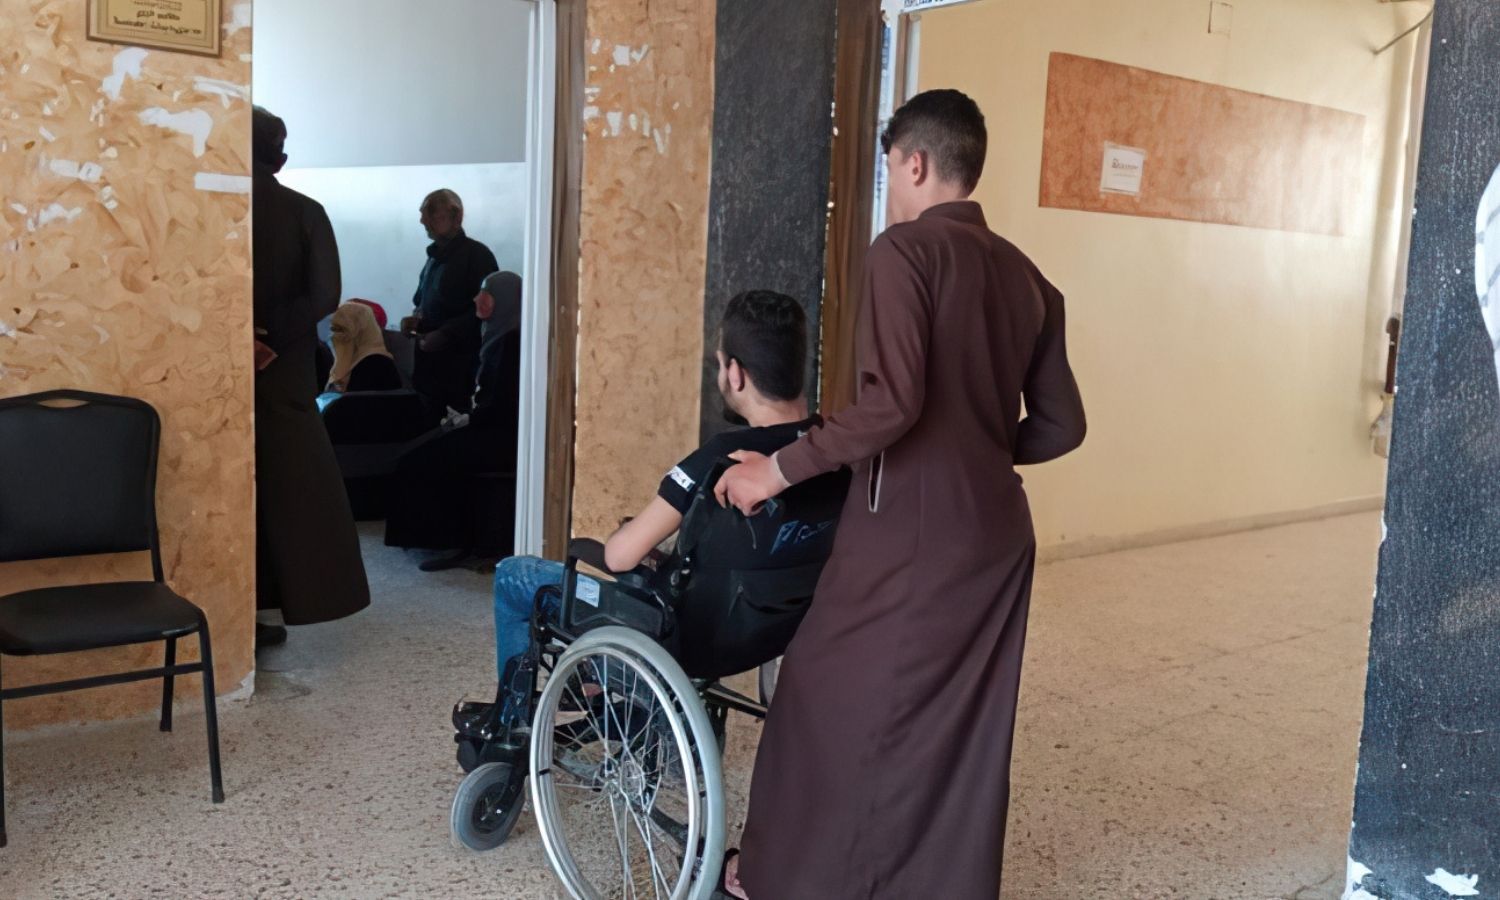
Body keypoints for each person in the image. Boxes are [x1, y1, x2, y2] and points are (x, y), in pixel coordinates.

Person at [715, 90, 1087, 899]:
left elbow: (889, 407)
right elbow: (1063, 426)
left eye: (889, 169)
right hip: (996, 537)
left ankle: (779, 877)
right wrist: (979, 449)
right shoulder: (1030, 280)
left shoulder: (904, 254)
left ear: (915, 162)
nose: (890, 187)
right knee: (959, 729)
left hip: (909, 536)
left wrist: (771, 471)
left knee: (819, 696)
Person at [485, 290, 823, 730]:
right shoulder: (829, 451)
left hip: (677, 640)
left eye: (721, 364)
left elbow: (619, 557)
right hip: (762, 633)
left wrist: (626, 540)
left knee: (516, 575)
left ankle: (516, 726)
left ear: (735, 374)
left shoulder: (721, 458)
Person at [251, 106, 371, 648]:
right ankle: (286, 605)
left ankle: (236, 612)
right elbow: (325, 295)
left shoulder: (210, 209)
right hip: (284, 368)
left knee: (232, 490)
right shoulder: (305, 211)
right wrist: (270, 338)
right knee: (293, 490)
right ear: (280, 156)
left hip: (214, 372)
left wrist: (239, 337)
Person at [384, 271, 524, 570]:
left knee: (426, 459)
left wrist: (468, 419)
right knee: (416, 451)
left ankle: (453, 541)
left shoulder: (513, 343)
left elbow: (500, 404)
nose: (477, 299)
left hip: (502, 438)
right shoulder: (495, 335)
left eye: (485, 293)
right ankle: (436, 539)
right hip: (488, 428)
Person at [401, 190, 498, 419]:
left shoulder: (477, 256)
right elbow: (423, 301)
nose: (423, 220)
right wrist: (415, 320)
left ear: (457, 216)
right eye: (422, 214)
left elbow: (487, 312)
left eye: (431, 212)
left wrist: (447, 333)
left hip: (460, 370)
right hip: (428, 370)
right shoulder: (433, 258)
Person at [325, 301, 401, 393]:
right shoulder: (337, 360)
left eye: (342, 330)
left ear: (361, 332)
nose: (334, 336)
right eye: (334, 329)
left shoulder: (377, 364)